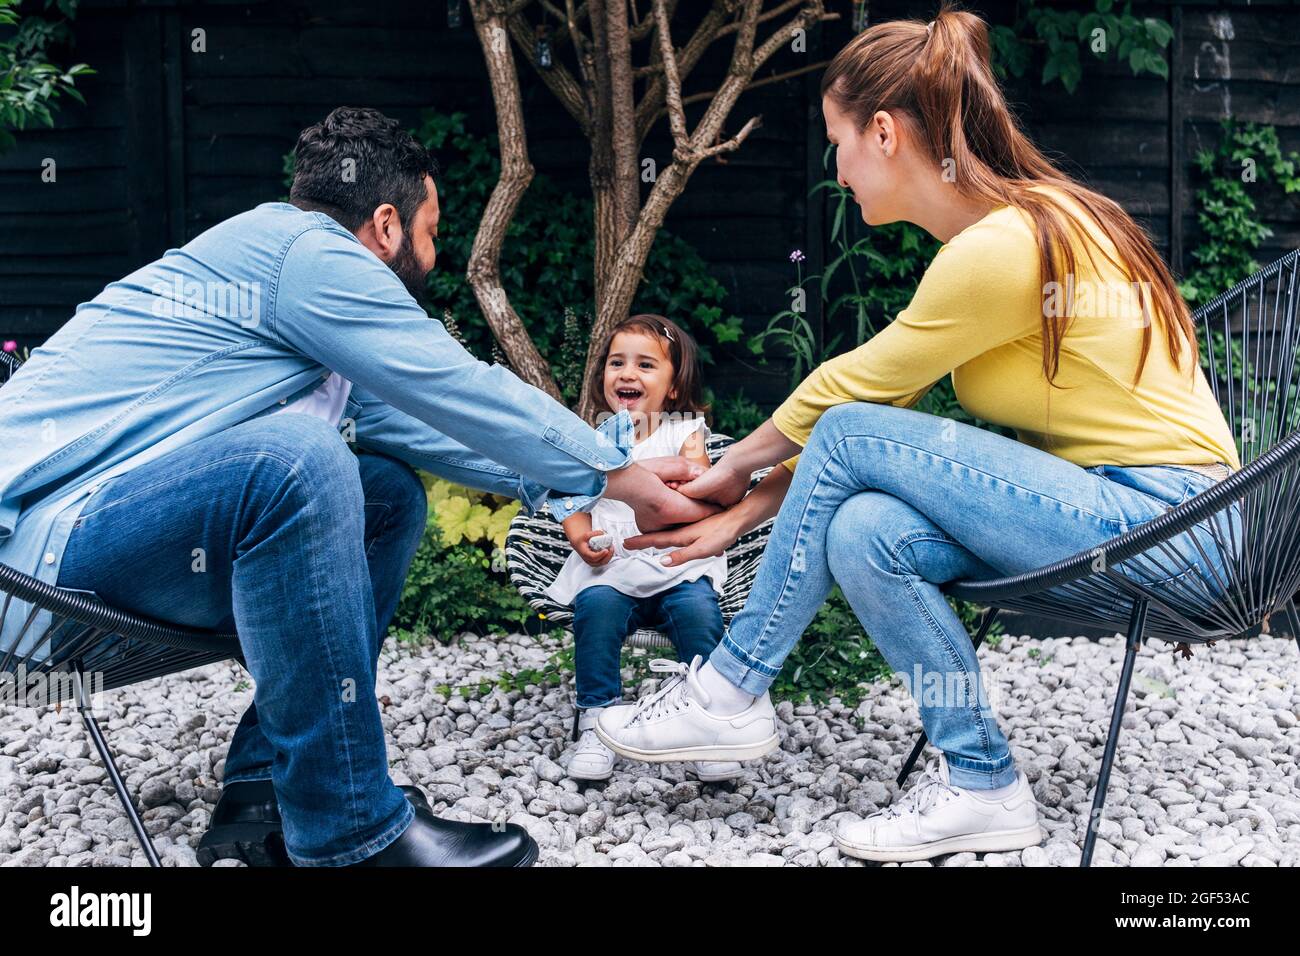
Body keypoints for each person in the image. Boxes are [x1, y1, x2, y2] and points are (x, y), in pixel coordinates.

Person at [594, 7, 1243, 863]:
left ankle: (731, 683)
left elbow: (856, 398)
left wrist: (728, 479)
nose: (835, 168)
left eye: (838, 140)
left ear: (887, 133)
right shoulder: (1013, 230)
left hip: (1183, 527)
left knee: (856, 431)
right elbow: (877, 440)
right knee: (868, 532)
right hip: (1119, 513)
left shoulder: (1007, 244)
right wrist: (744, 508)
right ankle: (983, 786)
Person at [0, 107, 716, 867]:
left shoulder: (300, 305)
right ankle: (349, 833)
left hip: (92, 549)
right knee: (297, 458)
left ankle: (266, 787)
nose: (434, 256)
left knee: (384, 493)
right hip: (29, 565)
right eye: (433, 231)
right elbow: (455, 385)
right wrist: (615, 471)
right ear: (384, 225)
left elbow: (423, 424)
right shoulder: (305, 254)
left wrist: (600, 489)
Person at [546, 315, 739, 784]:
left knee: (700, 614)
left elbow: (696, 485)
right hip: (612, 565)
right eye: (617, 363)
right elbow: (569, 497)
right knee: (595, 608)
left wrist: (634, 469)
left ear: (673, 388)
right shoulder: (590, 437)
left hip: (677, 564)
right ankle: (597, 719)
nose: (627, 374)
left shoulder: (684, 431)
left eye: (645, 365)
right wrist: (579, 537)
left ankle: (707, 721)